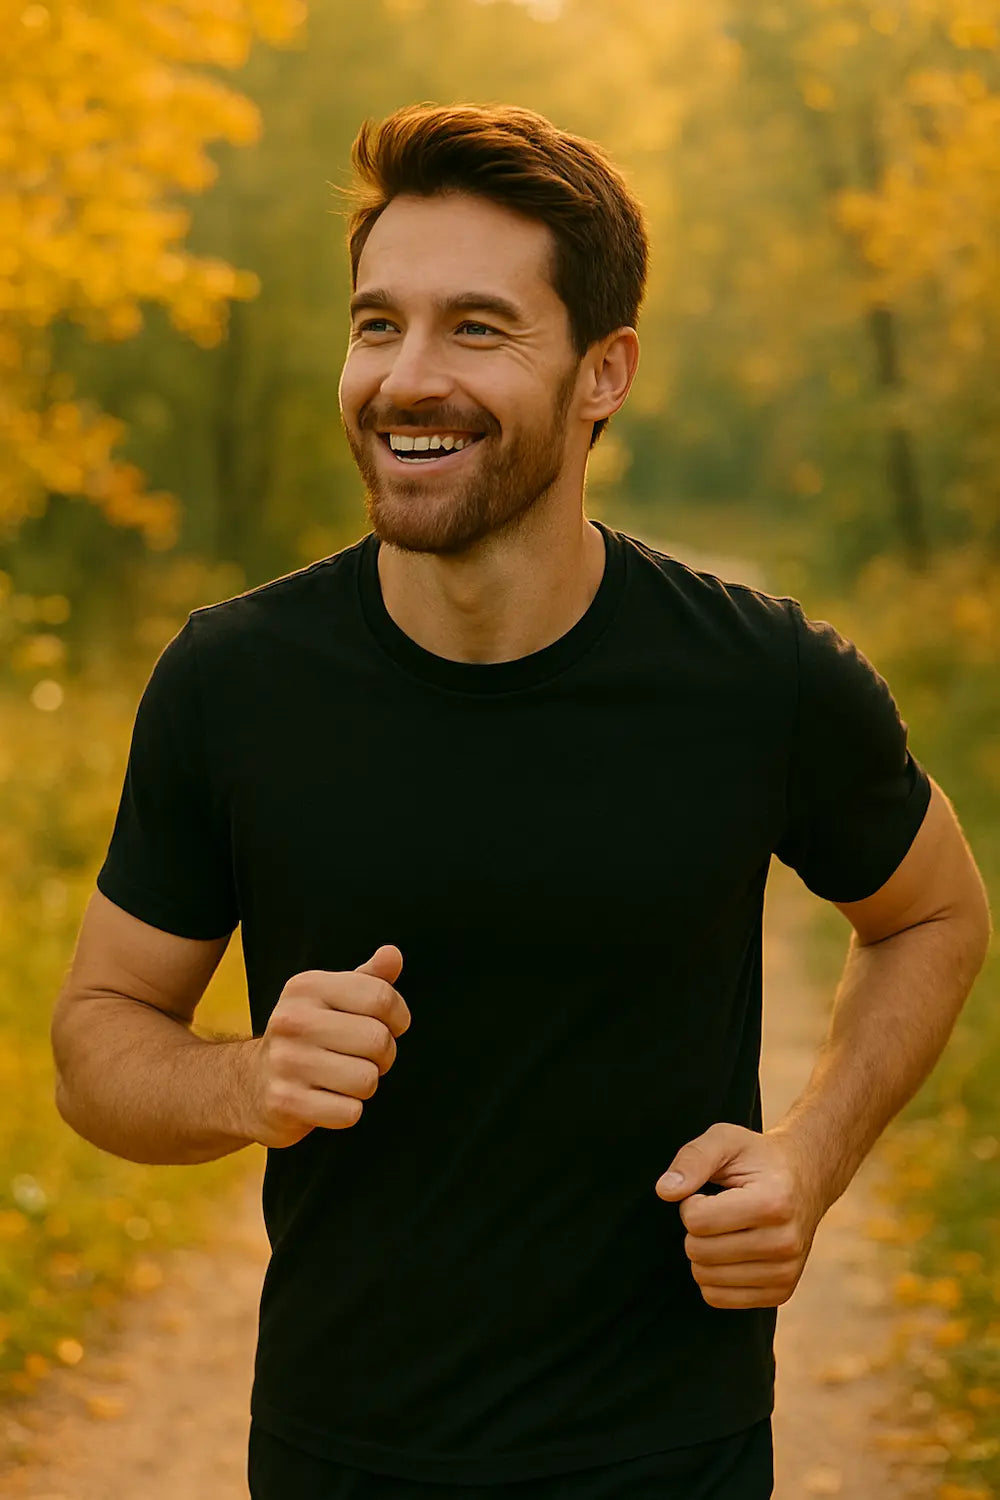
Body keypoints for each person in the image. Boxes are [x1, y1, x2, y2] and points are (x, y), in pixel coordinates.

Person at [51, 104, 992, 1500]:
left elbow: (934, 913)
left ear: (604, 372)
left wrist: (810, 1156)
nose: (404, 378)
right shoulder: (234, 682)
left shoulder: (758, 680)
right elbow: (94, 1044)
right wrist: (247, 1077)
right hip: (339, 1457)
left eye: (476, 329)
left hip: (670, 1458)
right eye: (379, 325)